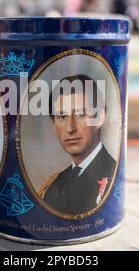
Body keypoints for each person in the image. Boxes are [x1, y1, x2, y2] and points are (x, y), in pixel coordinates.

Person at [40, 75, 116, 215]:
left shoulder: (112, 174)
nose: (70, 128)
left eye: (80, 115)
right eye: (62, 117)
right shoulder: (54, 185)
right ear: (54, 124)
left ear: (99, 117)